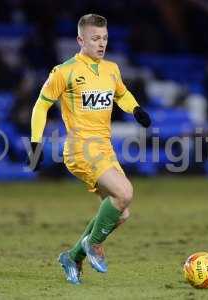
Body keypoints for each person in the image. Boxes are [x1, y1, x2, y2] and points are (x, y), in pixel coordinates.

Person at [28, 14, 151, 285]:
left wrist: (135, 109)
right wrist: (36, 143)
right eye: (95, 38)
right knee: (125, 193)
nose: (101, 43)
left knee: (121, 212)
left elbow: (121, 94)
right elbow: (41, 105)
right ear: (80, 40)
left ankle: (73, 256)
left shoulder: (111, 69)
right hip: (80, 148)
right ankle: (93, 245)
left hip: (104, 148)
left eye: (105, 38)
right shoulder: (65, 71)